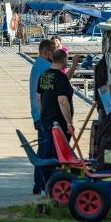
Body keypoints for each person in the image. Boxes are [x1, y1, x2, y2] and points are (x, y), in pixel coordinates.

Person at [36, 49, 75, 187]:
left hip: (46, 120)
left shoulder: (44, 75)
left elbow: (39, 98)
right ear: (64, 60)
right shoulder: (61, 77)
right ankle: (54, 184)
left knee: (47, 152)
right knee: (58, 155)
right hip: (58, 124)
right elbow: (62, 101)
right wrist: (69, 123)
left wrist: (42, 115)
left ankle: (44, 184)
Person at [28, 39, 55, 195]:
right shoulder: (45, 68)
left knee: (43, 149)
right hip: (43, 115)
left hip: (38, 114)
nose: (55, 55)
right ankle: (41, 184)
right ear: (46, 53)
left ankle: (40, 184)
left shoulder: (38, 65)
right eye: (53, 52)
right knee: (45, 152)